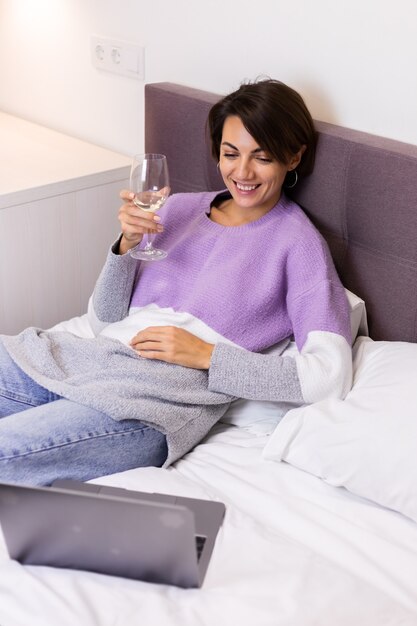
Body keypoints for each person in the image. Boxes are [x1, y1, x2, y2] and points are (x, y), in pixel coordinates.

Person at [0, 79, 352, 486]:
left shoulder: (299, 245)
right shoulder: (177, 208)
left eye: (263, 157)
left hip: (149, 405)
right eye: (230, 154)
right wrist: (125, 246)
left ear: (293, 157)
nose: (243, 172)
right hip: (78, 361)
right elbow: (101, 321)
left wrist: (207, 354)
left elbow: (328, 375)